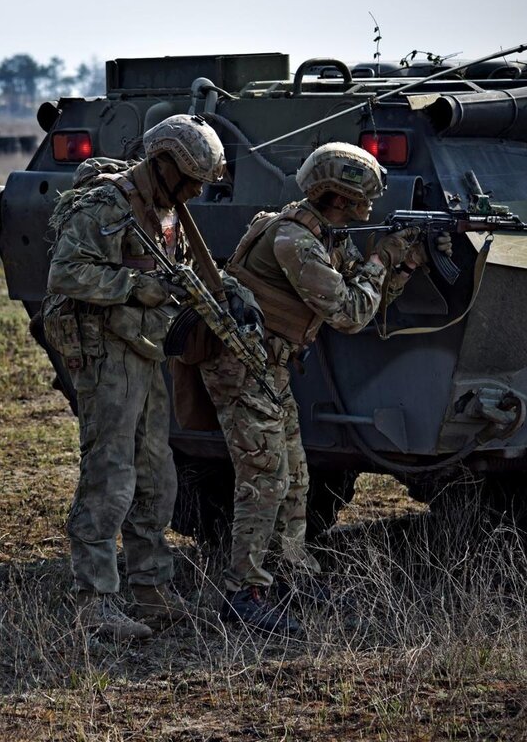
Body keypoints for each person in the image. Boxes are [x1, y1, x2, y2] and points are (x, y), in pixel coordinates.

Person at [207, 141, 444, 633]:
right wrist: (383, 260)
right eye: (363, 201)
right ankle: (243, 593)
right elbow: (351, 315)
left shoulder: (325, 233)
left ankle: (292, 572)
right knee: (264, 479)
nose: (369, 209)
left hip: (268, 369)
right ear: (339, 198)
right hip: (243, 367)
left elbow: (367, 293)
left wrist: (400, 263)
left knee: (294, 476)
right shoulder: (296, 241)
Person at [45, 114, 228, 640]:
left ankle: (150, 590)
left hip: (146, 350)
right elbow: (65, 272)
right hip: (107, 354)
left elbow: (179, 268)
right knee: (110, 476)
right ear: (165, 164)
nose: (197, 190)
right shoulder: (107, 205)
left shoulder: (169, 211)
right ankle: (95, 601)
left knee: (156, 475)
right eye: (192, 178)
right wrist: (134, 286)